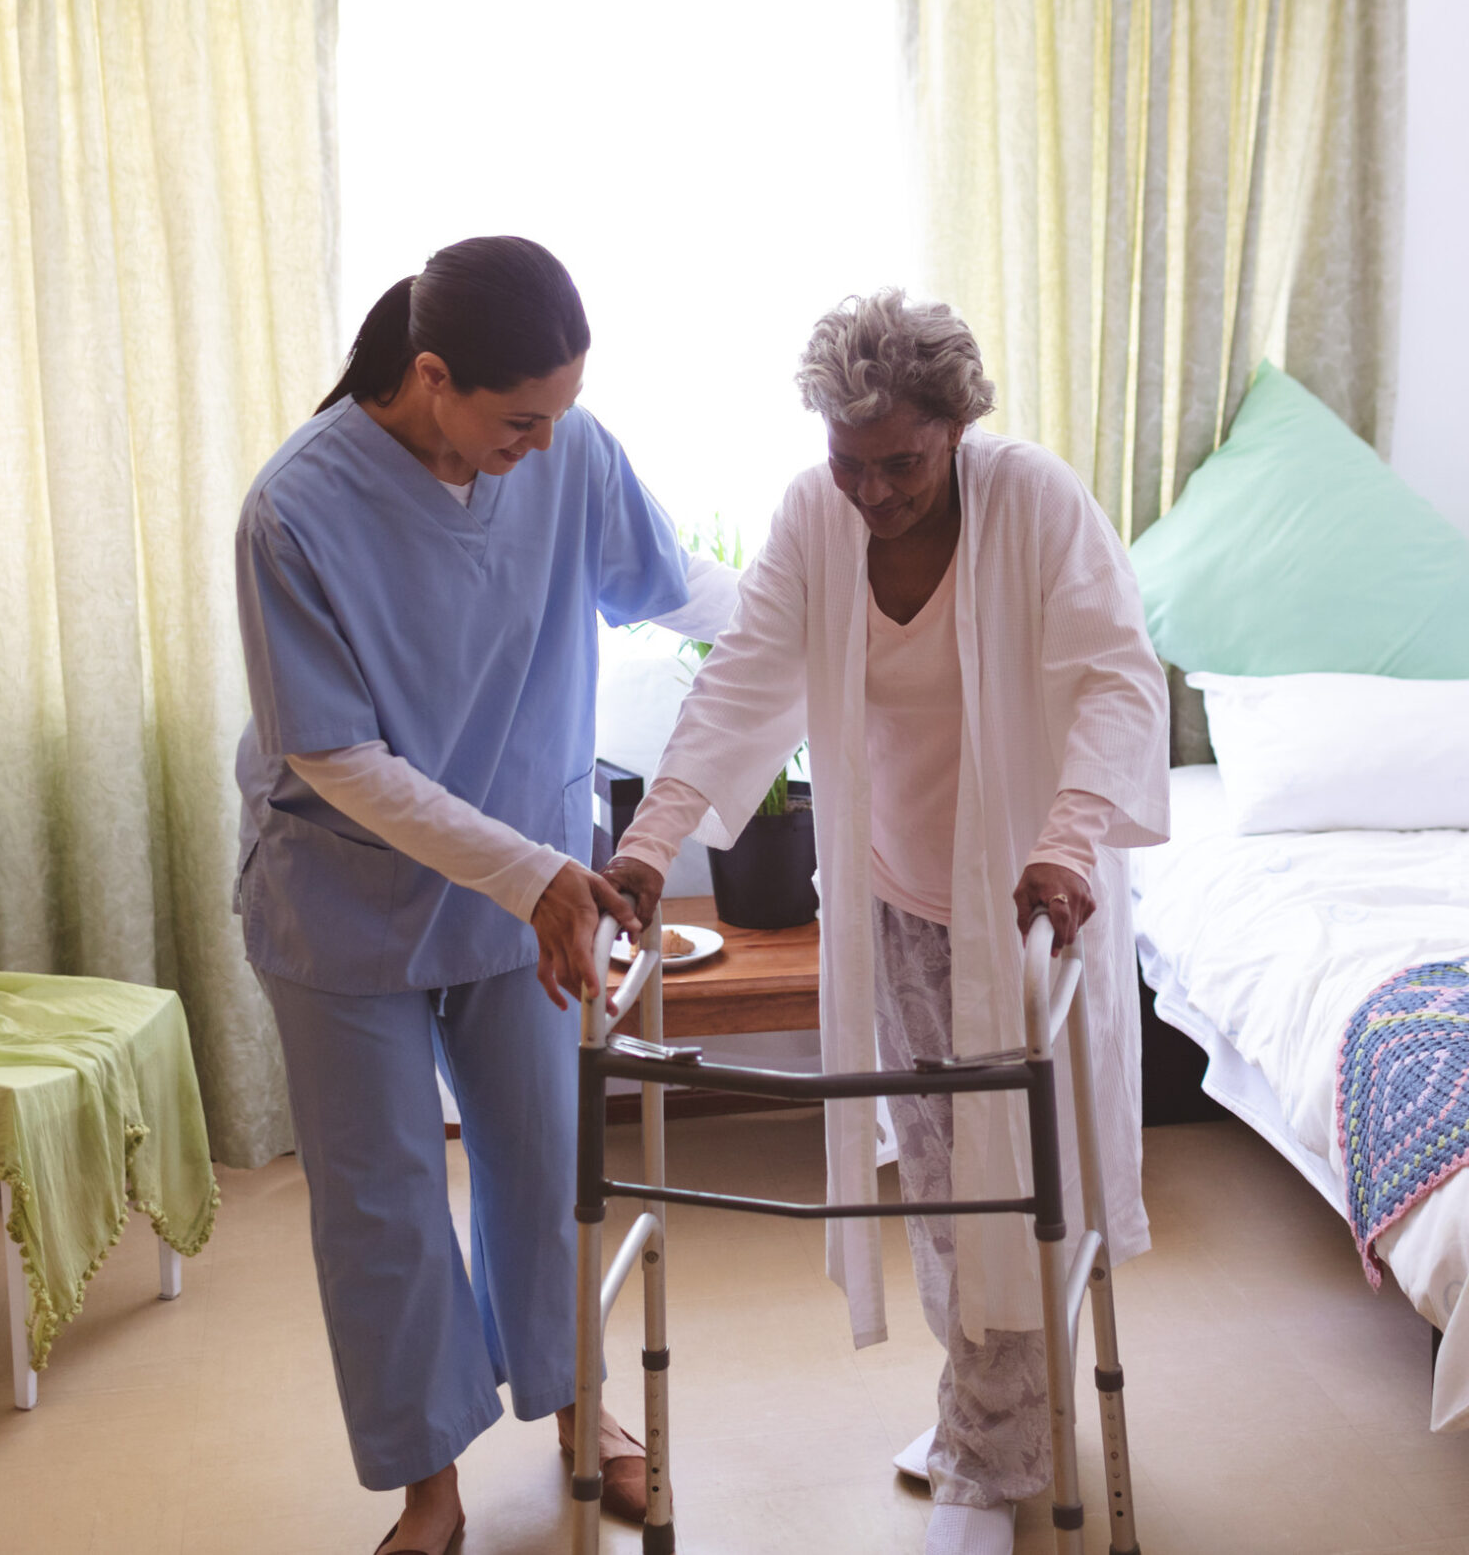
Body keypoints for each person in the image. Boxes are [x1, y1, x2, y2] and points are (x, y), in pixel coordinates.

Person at [604, 289, 1169, 1555]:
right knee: (936, 1174)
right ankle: (985, 1416)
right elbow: (750, 674)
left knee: (1013, 1178)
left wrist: (1070, 838)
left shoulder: (1033, 499)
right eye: (847, 463)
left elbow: (1119, 677)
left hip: (1030, 886)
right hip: (895, 888)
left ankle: (989, 1448)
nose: (871, 491)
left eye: (899, 463)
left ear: (959, 429)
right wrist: (649, 844)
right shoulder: (819, 515)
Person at [233, 236, 735, 1555]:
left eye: (561, 412)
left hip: (534, 898)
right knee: (385, 1200)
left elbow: (688, 598)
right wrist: (531, 873)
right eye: (521, 418)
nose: (545, 441)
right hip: (350, 902)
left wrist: (842, 630)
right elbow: (334, 757)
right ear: (433, 377)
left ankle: (581, 1414)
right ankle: (430, 1486)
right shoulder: (293, 512)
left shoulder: (564, 450)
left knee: (544, 1160)